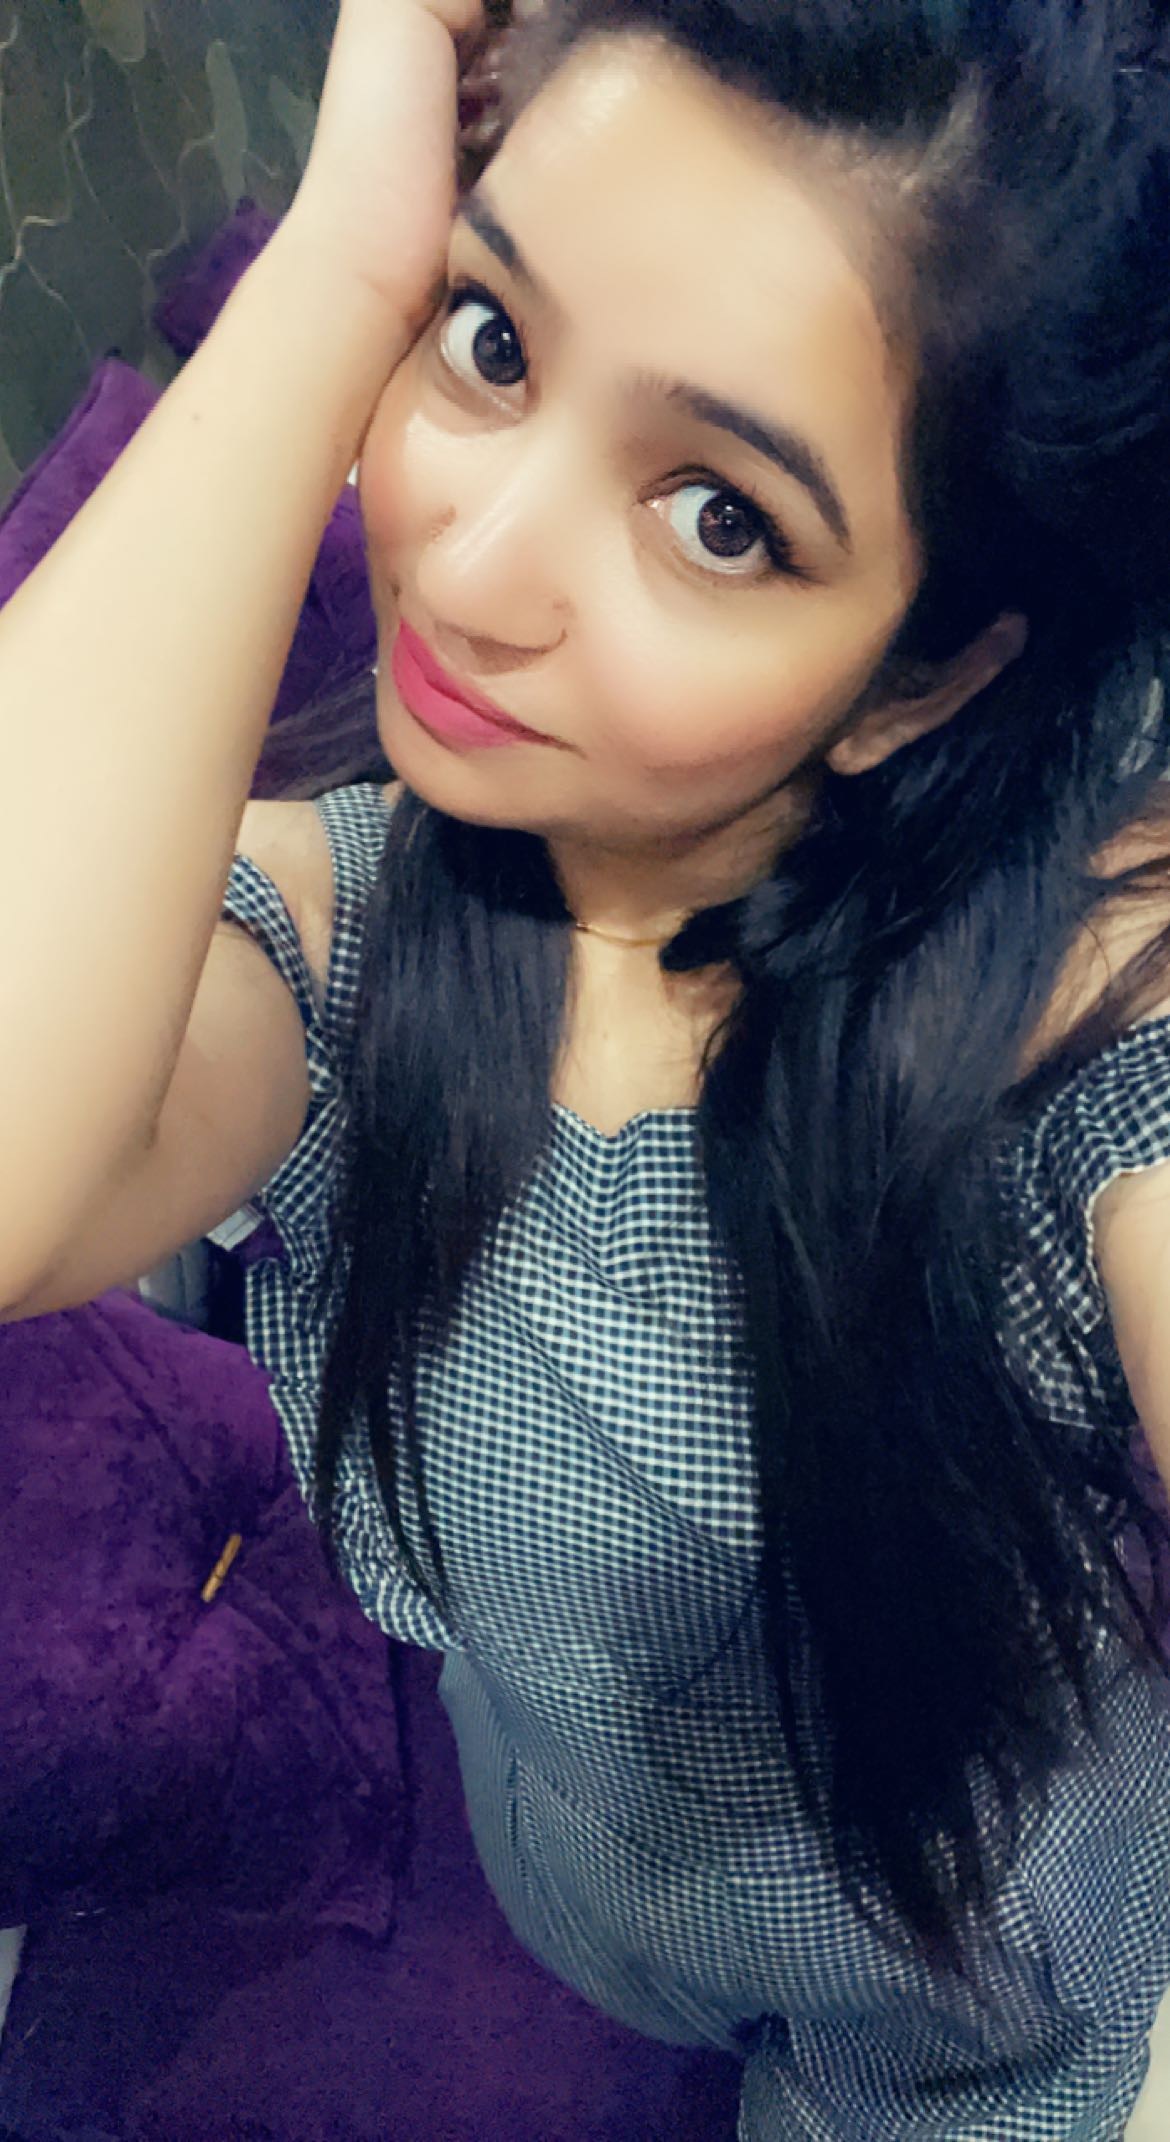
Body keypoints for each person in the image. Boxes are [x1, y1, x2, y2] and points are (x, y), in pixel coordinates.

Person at [2, 0, 1170, 2130]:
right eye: (491, 342)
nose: (467, 567)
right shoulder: (366, 928)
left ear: (916, 679)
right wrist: (346, 264)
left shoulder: (1082, 1053)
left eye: (721, 516)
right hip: (592, 1902)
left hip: (980, 2027)